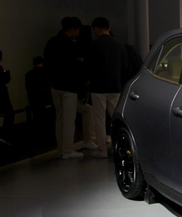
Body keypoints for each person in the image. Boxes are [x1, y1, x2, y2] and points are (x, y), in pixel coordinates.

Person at [44, 17, 86, 159]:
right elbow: (74, 66)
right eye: (77, 31)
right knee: (69, 119)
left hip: (55, 86)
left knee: (60, 118)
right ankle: (68, 150)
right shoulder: (70, 45)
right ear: (73, 29)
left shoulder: (51, 42)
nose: (77, 34)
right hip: (69, 86)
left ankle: (61, 149)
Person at [87, 17, 128, 158]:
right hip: (115, 86)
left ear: (95, 28)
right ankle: (120, 147)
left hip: (98, 87)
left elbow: (88, 66)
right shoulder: (119, 45)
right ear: (108, 27)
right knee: (117, 118)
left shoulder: (93, 45)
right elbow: (124, 67)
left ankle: (102, 150)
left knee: (99, 119)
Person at [25, 56, 54, 144]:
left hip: (34, 99)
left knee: (37, 118)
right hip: (45, 99)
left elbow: (28, 87)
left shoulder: (29, 74)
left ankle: (38, 138)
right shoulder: (45, 73)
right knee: (49, 118)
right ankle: (49, 137)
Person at [0, 49, 13, 139]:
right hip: (2, 93)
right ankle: (5, 134)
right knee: (9, 113)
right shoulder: (0, 68)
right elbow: (5, 80)